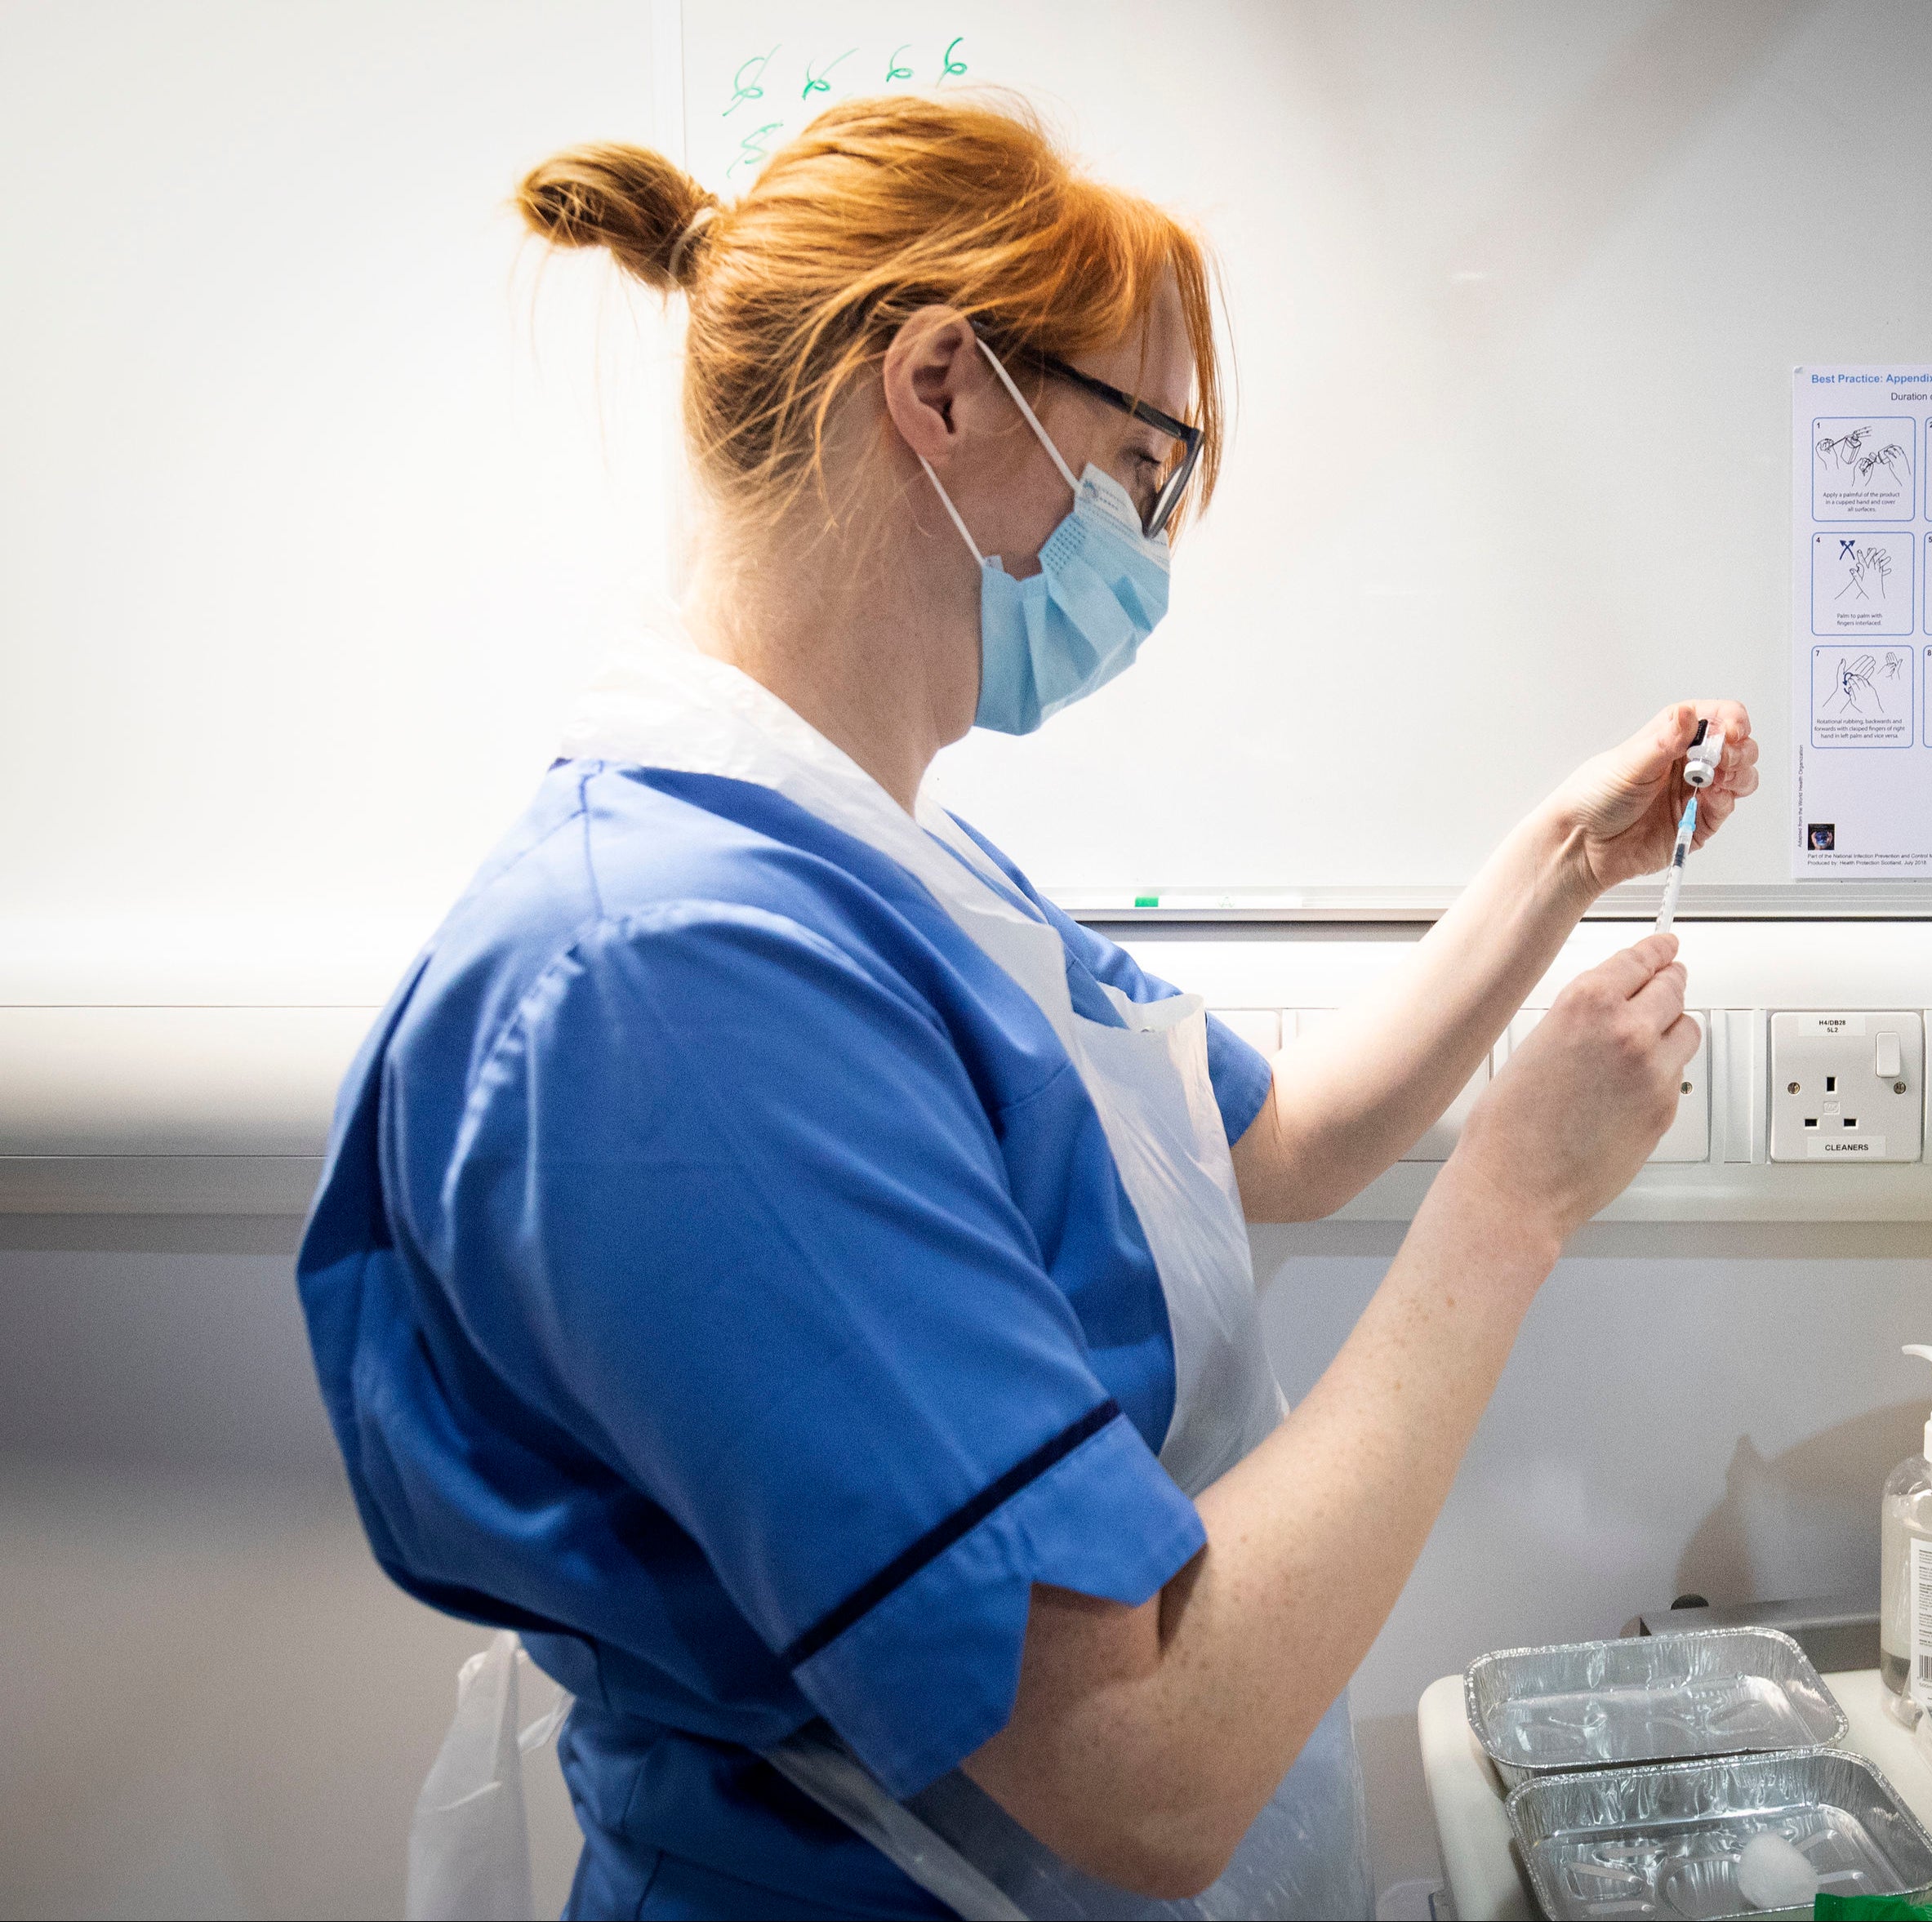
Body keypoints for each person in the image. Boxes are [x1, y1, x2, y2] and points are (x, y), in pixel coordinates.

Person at [296, 92, 1759, 1921]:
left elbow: (1273, 1143)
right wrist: (1512, 1204)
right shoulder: (672, 986)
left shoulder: (884, 862)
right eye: (1141, 467)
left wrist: (1562, 856)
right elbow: (1137, 1766)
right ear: (940, 388)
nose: (1143, 547)